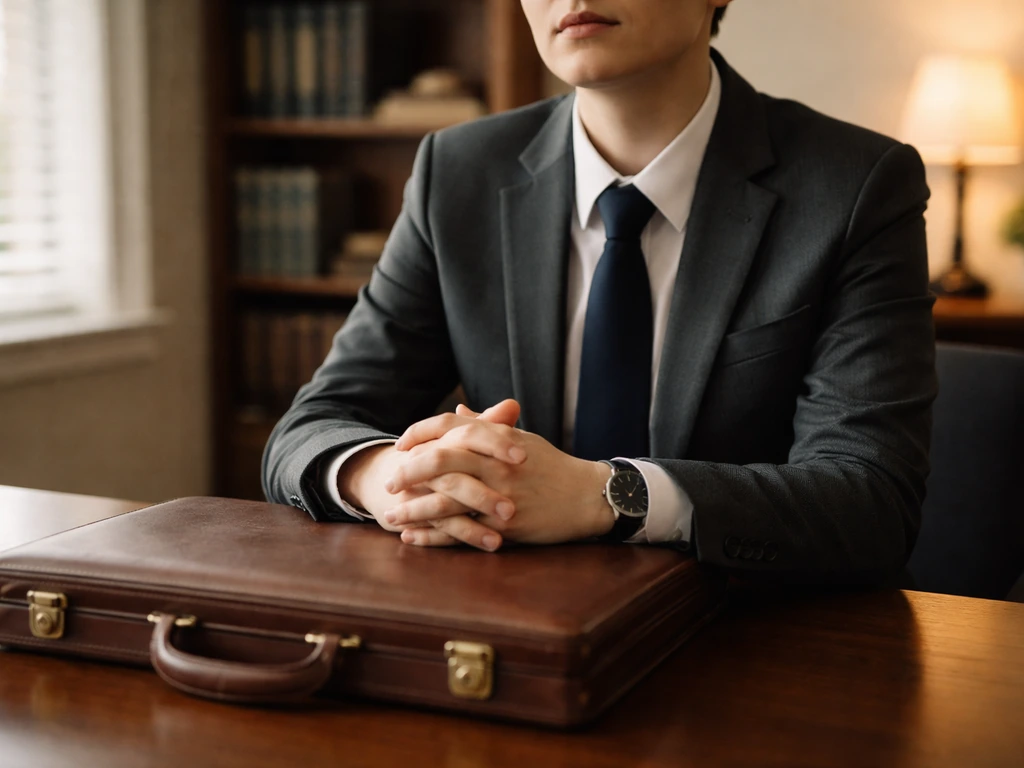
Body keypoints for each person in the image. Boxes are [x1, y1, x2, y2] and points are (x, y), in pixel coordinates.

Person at [262, 0, 937, 581]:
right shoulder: (459, 171)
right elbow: (311, 427)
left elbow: (870, 501)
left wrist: (607, 495)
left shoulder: (857, 187)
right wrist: (387, 479)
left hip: (760, 642)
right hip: (519, 629)